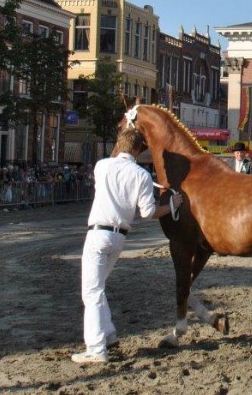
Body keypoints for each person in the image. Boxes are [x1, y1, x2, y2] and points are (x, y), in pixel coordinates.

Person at [73, 128, 183, 364]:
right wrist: (172, 205)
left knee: (91, 292)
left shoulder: (102, 166)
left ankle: (96, 348)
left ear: (119, 144)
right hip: (120, 237)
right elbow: (149, 213)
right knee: (98, 287)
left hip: (98, 233)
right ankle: (110, 335)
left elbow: (115, 157)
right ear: (138, 150)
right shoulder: (142, 175)